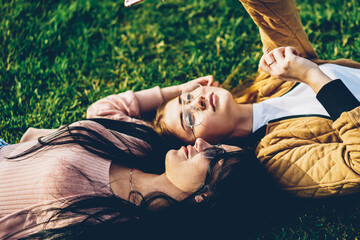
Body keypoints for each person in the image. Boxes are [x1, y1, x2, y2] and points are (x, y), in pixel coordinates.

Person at [100, 0, 360, 199]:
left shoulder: (271, 80)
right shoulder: (276, 158)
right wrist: (312, 76)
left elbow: (272, 12)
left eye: (188, 97)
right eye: (189, 119)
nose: (197, 102)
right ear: (205, 145)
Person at [0, 94, 278, 239]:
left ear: (206, 196)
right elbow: (104, 110)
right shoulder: (144, 144)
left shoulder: (116, 228)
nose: (202, 141)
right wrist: (176, 91)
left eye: (213, 153)